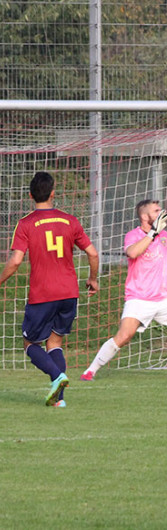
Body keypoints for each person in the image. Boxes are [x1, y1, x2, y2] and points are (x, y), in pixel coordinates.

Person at [81, 200, 167, 381]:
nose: (161, 212)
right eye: (156, 211)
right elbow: (132, 253)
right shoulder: (134, 235)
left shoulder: (165, 236)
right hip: (138, 299)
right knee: (124, 336)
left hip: (164, 299)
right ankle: (90, 371)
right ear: (144, 216)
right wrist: (152, 233)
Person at [0, 172, 99, 407]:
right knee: (55, 344)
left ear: (30, 195)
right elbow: (93, 253)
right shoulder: (70, 221)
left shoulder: (25, 223)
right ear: (53, 193)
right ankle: (58, 400)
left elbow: (15, 261)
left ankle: (57, 376)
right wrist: (93, 279)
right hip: (69, 293)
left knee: (30, 345)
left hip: (43, 294)